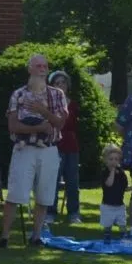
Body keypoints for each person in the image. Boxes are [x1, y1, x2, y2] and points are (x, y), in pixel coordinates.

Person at [3, 53, 66, 245]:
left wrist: (42, 111)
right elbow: (13, 126)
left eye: (44, 66)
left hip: (49, 149)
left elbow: (60, 124)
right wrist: (38, 128)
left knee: (45, 195)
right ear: (29, 69)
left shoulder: (57, 94)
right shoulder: (19, 94)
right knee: (15, 194)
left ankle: (36, 236)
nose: (42, 69)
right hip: (24, 149)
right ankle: (4, 237)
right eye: (38, 66)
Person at [50, 70, 83, 225]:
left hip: (71, 144)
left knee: (72, 181)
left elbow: (72, 124)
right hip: (55, 143)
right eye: (57, 83)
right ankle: (50, 212)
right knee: (53, 180)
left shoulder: (73, 104)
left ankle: (74, 212)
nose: (60, 85)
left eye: (63, 82)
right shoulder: (49, 104)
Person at [98, 143, 131, 232]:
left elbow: (125, 187)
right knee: (107, 226)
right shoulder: (105, 172)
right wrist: (112, 172)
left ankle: (123, 239)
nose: (113, 161)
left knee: (123, 224)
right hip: (107, 205)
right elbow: (109, 184)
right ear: (106, 160)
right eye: (111, 159)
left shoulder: (121, 173)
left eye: (116, 159)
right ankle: (107, 239)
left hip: (119, 205)